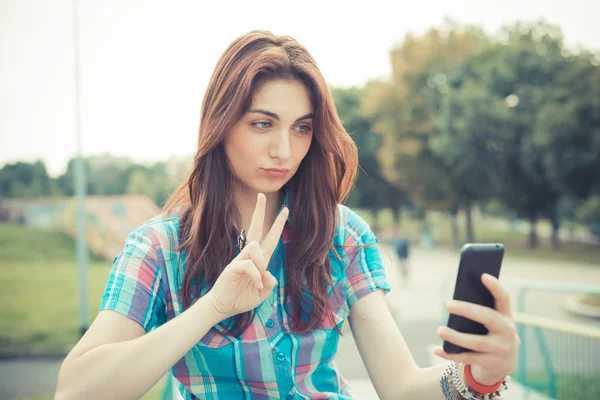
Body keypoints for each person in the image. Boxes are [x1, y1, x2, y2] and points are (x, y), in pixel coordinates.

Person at [55, 31, 519, 400]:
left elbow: (400, 387)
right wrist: (212, 307)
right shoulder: (159, 248)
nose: (284, 150)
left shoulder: (341, 233)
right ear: (221, 125)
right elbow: (75, 391)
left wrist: (477, 376)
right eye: (263, 124)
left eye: (301, 128)